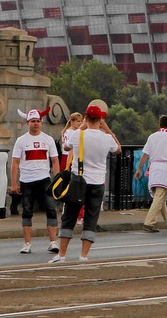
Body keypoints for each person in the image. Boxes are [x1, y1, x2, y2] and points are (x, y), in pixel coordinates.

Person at [50, 105, 121, 263]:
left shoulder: (78, 135)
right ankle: (83, 256)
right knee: (91, 217)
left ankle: (62, 255)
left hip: (78, 182)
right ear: (101, 120)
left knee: (69, 217)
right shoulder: (106, 138)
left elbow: (66, 147)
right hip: (97, 183)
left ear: (86, 118)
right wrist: (108, 130)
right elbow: (118, 150)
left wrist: (81, 128)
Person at [10, 109, 60, 253]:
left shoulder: (48, 139)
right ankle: (27, 243)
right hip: (27, 180)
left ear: (41, 122)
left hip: (44, 180)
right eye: (33, 121)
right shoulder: (21, 141)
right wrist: (14, 183)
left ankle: (53, 242)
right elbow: (15, 163)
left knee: (50, 209)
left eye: (38, 121)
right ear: (27, 123)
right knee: (27, 211)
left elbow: (55, 161)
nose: (35, 124)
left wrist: (56, 181)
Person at [137, 115, 167, 233]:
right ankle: (149, 222)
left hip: (153, 168)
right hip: (165, 169)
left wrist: (139, 169)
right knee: (159, 197)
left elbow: (144, 154)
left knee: (160, 198)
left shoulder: (152, 137)